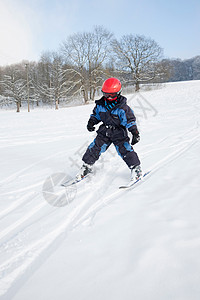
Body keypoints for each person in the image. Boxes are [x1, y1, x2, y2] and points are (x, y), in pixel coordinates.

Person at [76, 77, 142, 181]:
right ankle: (86, 166)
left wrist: (135, 132)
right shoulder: (100, 105)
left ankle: (136, 168)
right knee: (94, 147)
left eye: (112, 95)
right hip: (104, 132)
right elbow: (95, 115)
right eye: (107, 94)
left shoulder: (123, 108)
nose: (109, 97)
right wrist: (91, 122)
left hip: (119, 132)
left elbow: (130, 120)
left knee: (125, 149)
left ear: (119, 93)